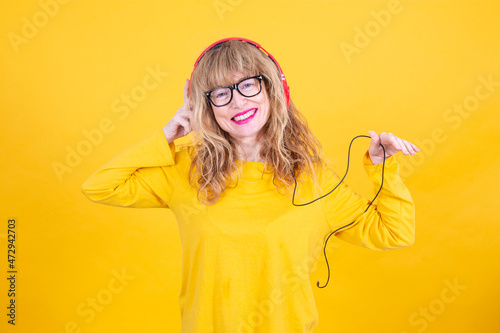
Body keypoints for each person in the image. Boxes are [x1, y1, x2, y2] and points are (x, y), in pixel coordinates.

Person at [81, 38, 419, 333]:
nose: (237, 102)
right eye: (220, 93)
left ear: (273, 89)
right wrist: (167, 135)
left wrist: (382, 167)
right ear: (206, 105)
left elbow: (394, 232)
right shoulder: (185, 168)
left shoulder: (312, 178)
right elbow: (100, 186)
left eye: (248, 85)